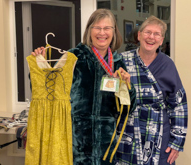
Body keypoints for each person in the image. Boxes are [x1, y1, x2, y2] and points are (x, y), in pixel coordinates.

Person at [29, 9, 136, 165]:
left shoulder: (118, 62)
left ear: (114, 32)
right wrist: (41, 67)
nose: (102, 33)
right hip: (75, 142)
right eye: (97, 27)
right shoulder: (74, 58)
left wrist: (128, 87)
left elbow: (126, 109)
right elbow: (48, 93)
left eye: (107, 28)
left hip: (106, 145)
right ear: (89, 30)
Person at [116, 16, 188, 165]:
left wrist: (177, 142)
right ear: (139, 35)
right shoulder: (122, 60)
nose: (151, 37)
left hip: (158, 134)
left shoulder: (167, 64)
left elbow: (179, 105)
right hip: (128, 130)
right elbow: (111, 99)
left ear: (161, 40)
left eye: (157, 34)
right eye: (148, 32)